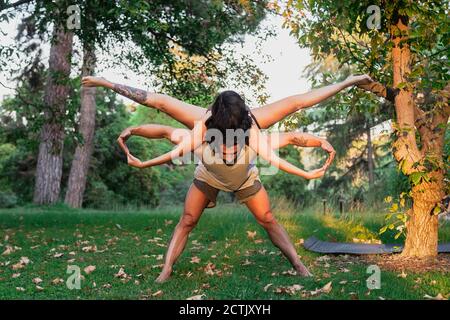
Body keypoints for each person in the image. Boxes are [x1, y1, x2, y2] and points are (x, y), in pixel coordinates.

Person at [82, 74, 372, 282]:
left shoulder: (255, 123)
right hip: (209, 175)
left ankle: (298, 264)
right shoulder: (202, 120)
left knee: (268, 219)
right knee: (187, 220)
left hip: (245, 179)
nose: (229, 142)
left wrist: (348, 82)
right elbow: (158, 105)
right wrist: (105, 83)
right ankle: (166, 269)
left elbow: (299, 104)